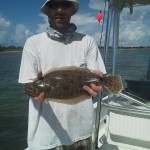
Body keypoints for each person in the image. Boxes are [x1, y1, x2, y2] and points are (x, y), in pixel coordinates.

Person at [18, 0, 106, 149]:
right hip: (45, 137)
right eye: (53, 5)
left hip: (82, 132)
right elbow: (28, 86)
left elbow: (96, 81)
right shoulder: (32, 43)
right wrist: (32, 92)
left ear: (72, 10)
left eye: (65, 5)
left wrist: (99, 86)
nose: (59, 10)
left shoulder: (87, 41)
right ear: (47, 10)